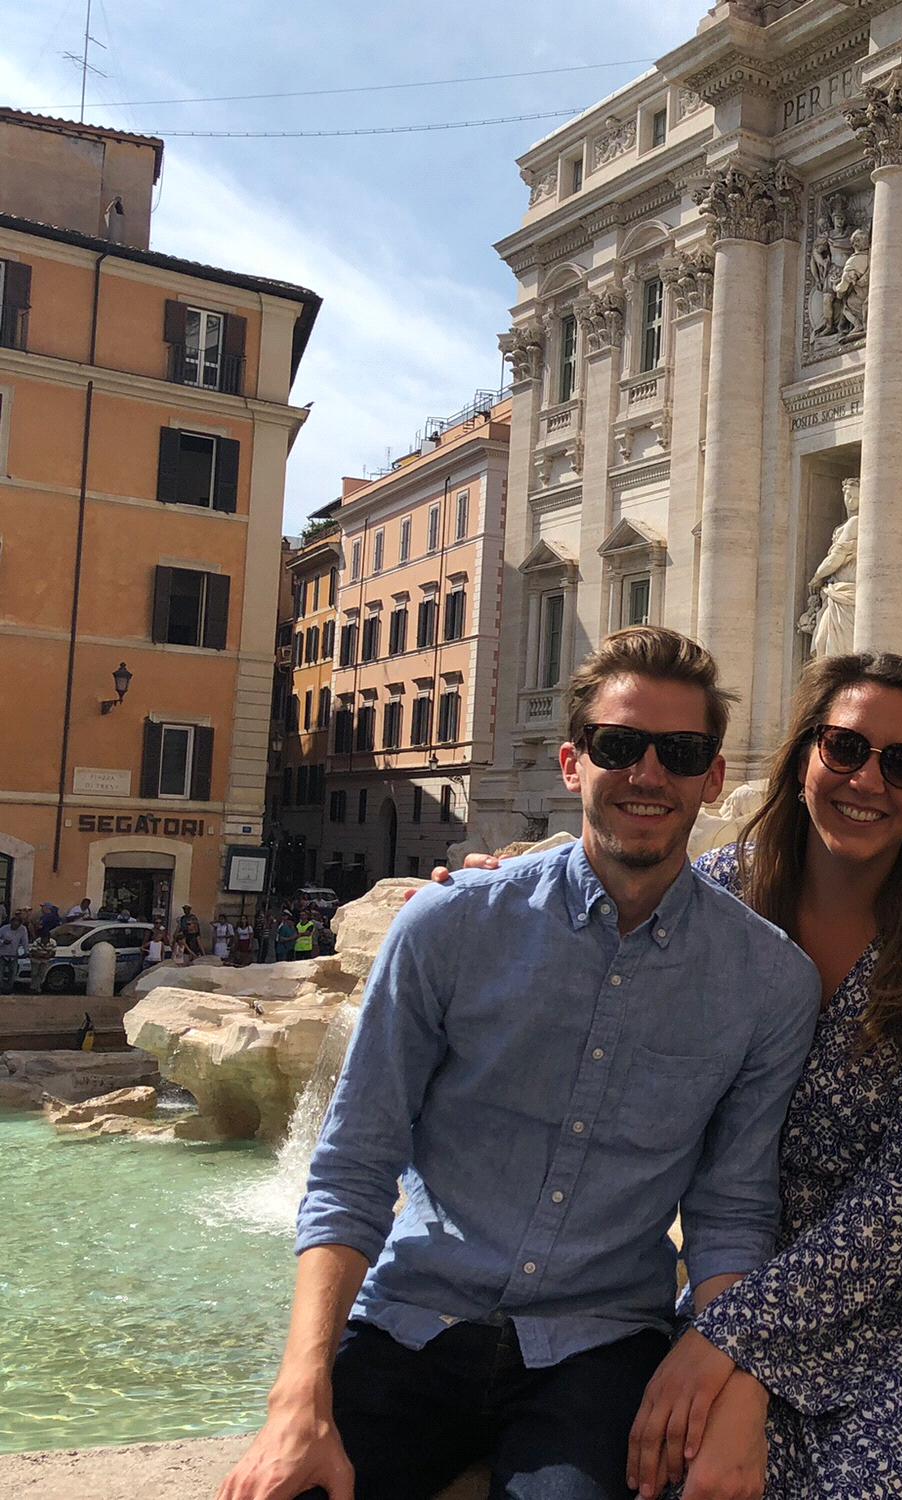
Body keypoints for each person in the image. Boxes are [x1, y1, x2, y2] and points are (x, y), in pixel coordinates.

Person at [218, 626, 819, 1500]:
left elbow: (730, 1213)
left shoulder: (769, 981)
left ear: (713, 778)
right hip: (410, 1325)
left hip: (601, 1346)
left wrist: (736, 1396)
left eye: (681, 752)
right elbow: (351, 1168)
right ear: (574, 764)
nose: (650, 773)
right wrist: (296, 1399)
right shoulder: (449, 927)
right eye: (621, 746)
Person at [456, 653, 902, 1497]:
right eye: (844, 748)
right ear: (804, 755)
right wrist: (489, 895)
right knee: (669, 1471)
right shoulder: (715, 895)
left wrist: (730, 1339)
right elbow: (596, 932)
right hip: (736, 1259)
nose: (868, 780)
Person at [0, 909, 27, 994]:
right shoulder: (3, 929)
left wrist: (26, 951)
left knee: (13, 973)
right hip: (2, 954)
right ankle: (1, 988)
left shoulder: (23, 930)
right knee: (0, 973)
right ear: (11, 923)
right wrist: (3, 942)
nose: (15, 926)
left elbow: (25, 941)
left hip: (13, 955)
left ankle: (9, 989)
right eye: (13, 924)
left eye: (17, 925)